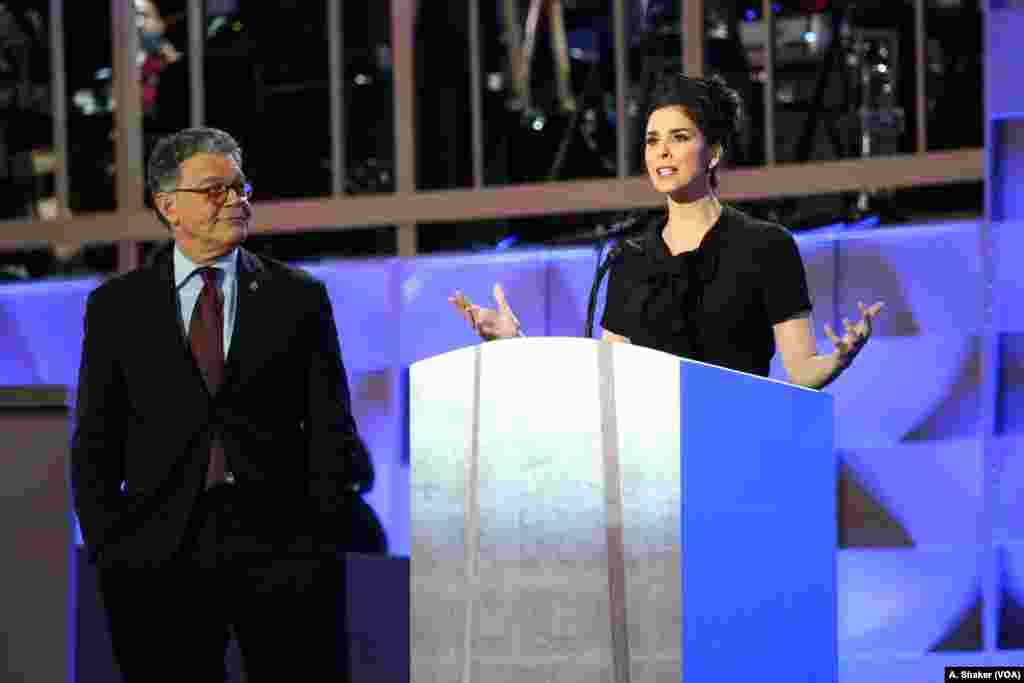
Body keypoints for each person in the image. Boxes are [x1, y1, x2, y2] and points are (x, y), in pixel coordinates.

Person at [71, 127, 374, 682]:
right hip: (157, 557)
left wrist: (318, 539)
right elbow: (95, 442)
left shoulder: (299, 298)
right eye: (215, 190)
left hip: (283, 551)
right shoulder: (117, 308)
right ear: (169, 206)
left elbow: (331, 426)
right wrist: (112, 551)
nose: (236, 201)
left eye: (240, 187)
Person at [450, 73, 883, 389]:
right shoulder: (630, 259)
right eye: (652, 140)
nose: (662, 151)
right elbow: (604, 384)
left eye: (678, 137)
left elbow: (801, 369)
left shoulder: (766, 246)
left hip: (735, 451)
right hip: (649, 469)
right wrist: (516, 343)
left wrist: (839, 359)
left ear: (712, 152)